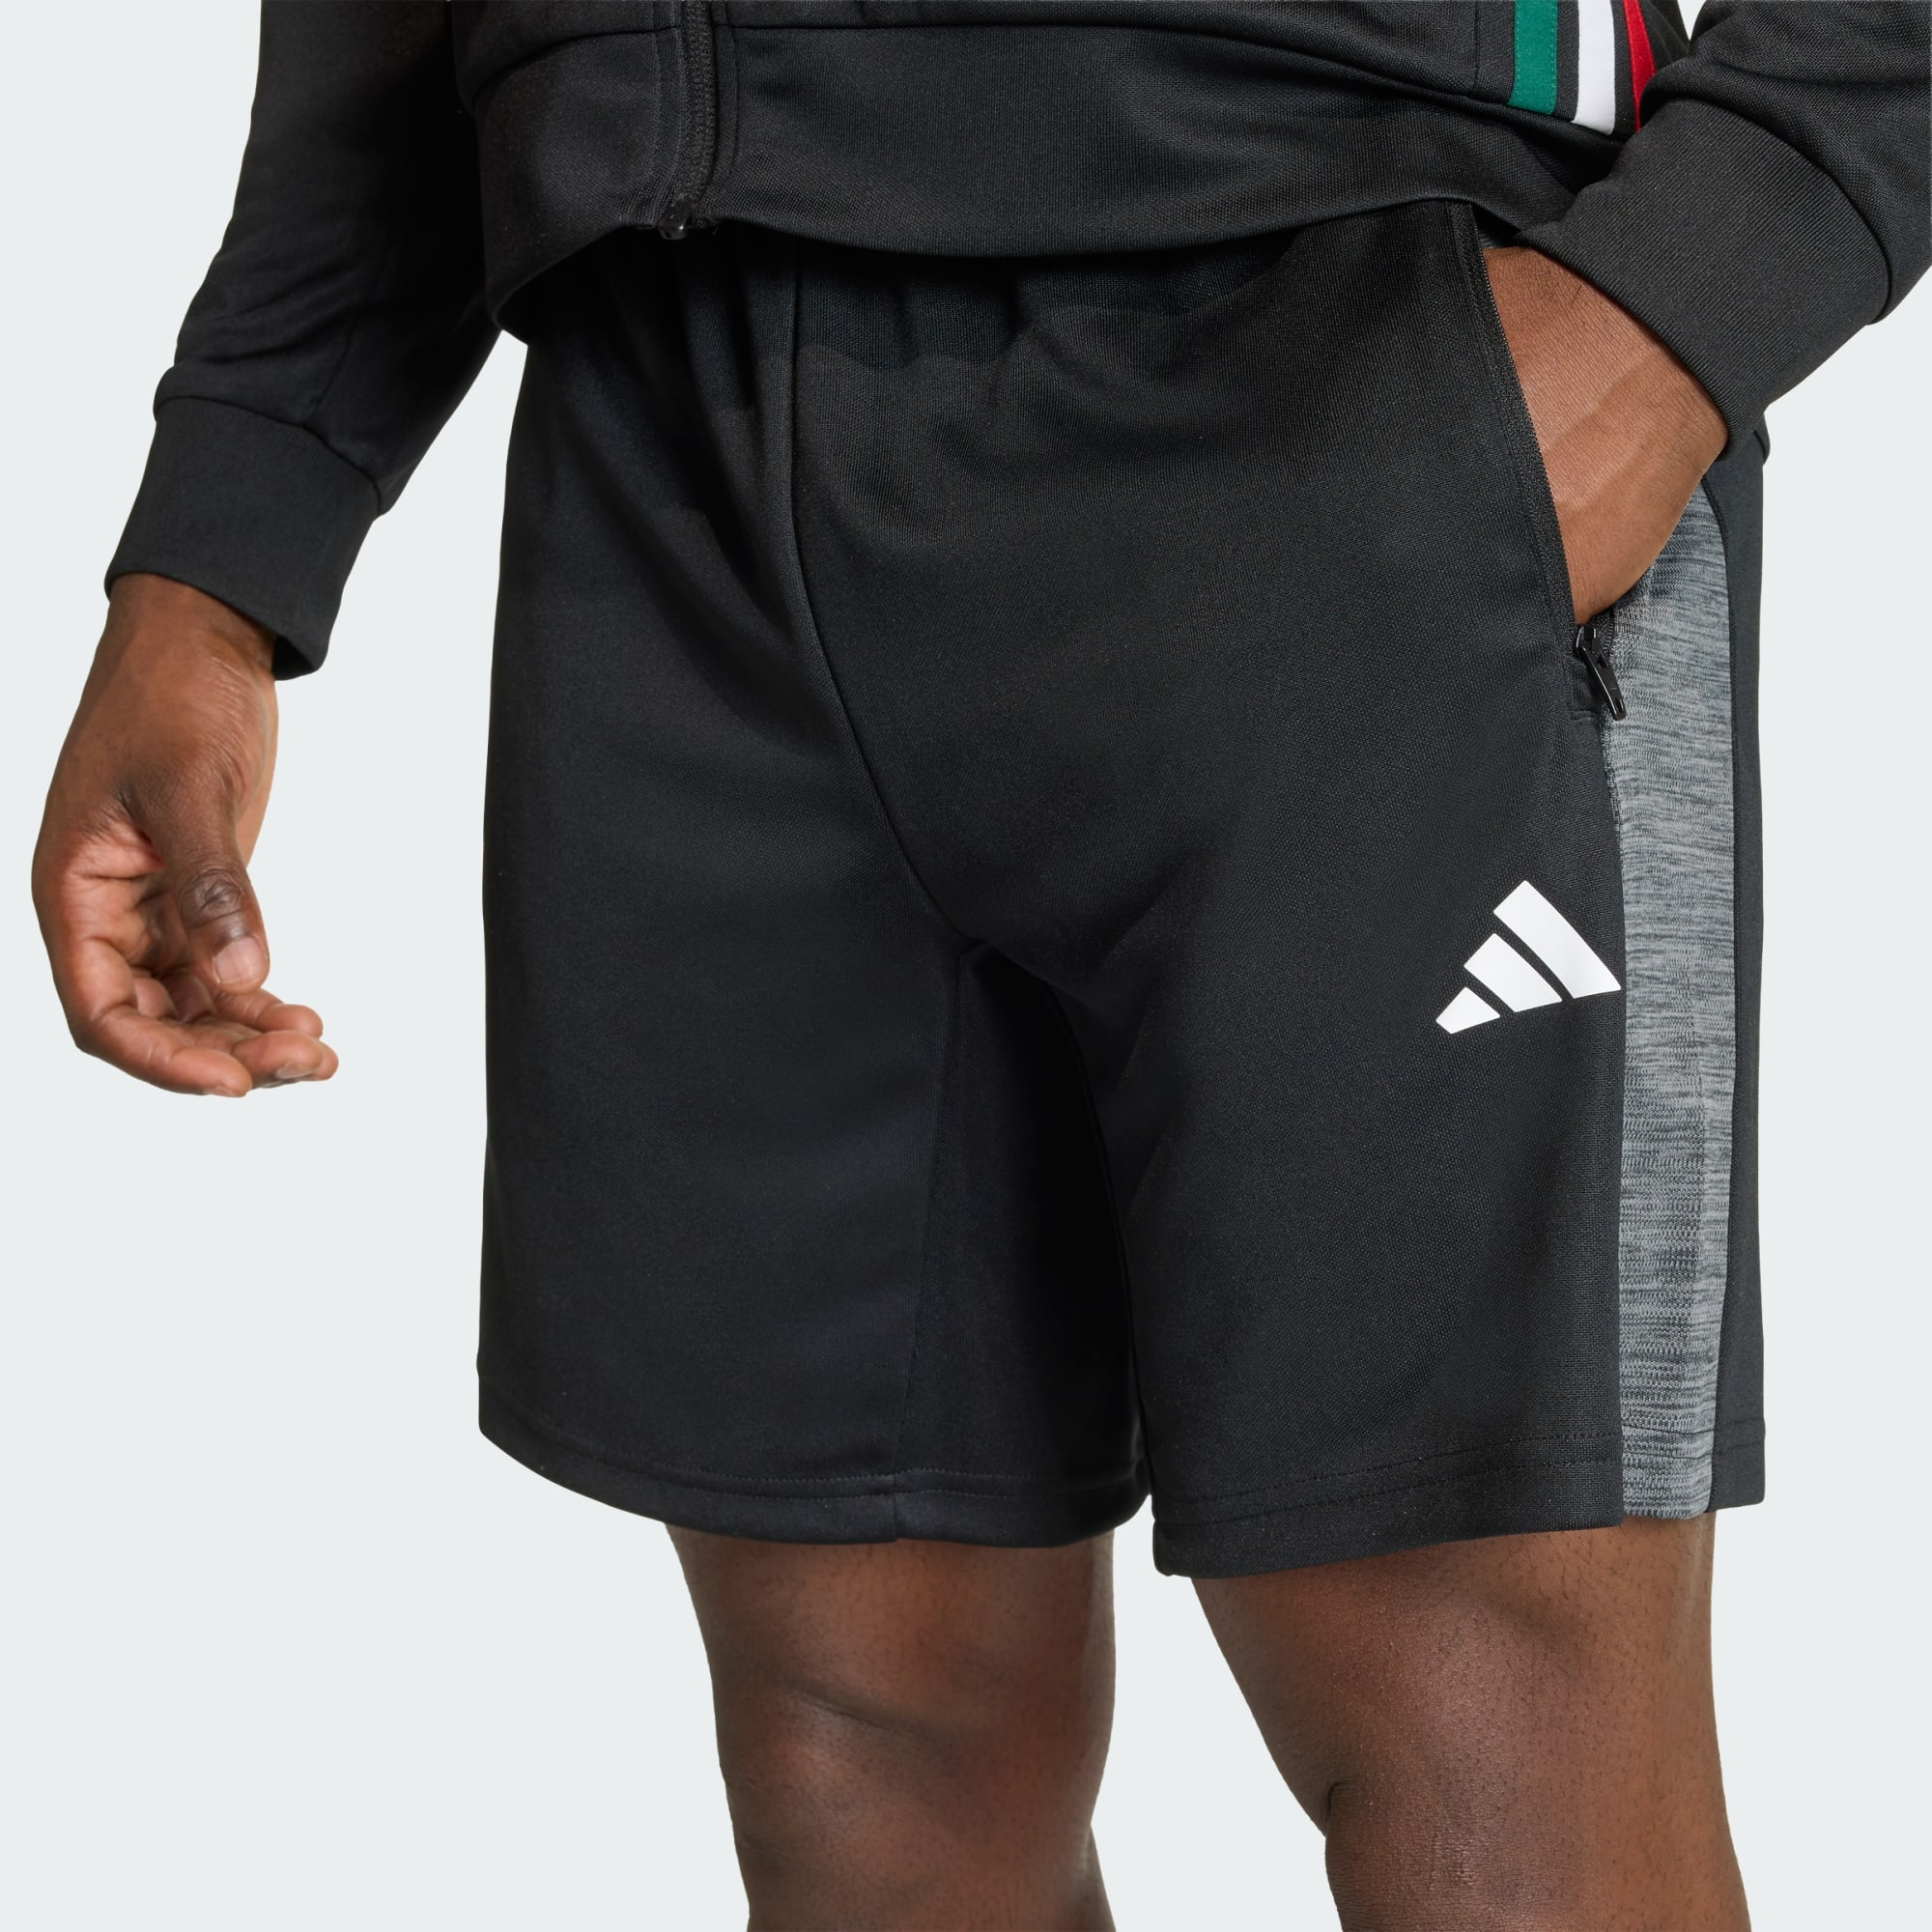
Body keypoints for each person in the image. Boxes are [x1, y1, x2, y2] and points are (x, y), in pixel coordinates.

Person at [33, 5, 1927, 1925]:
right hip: (677, 448)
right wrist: (225, 543)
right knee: (867, 1768)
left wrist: (1689, 289)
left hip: (1340, 322)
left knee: (1495, 1760)